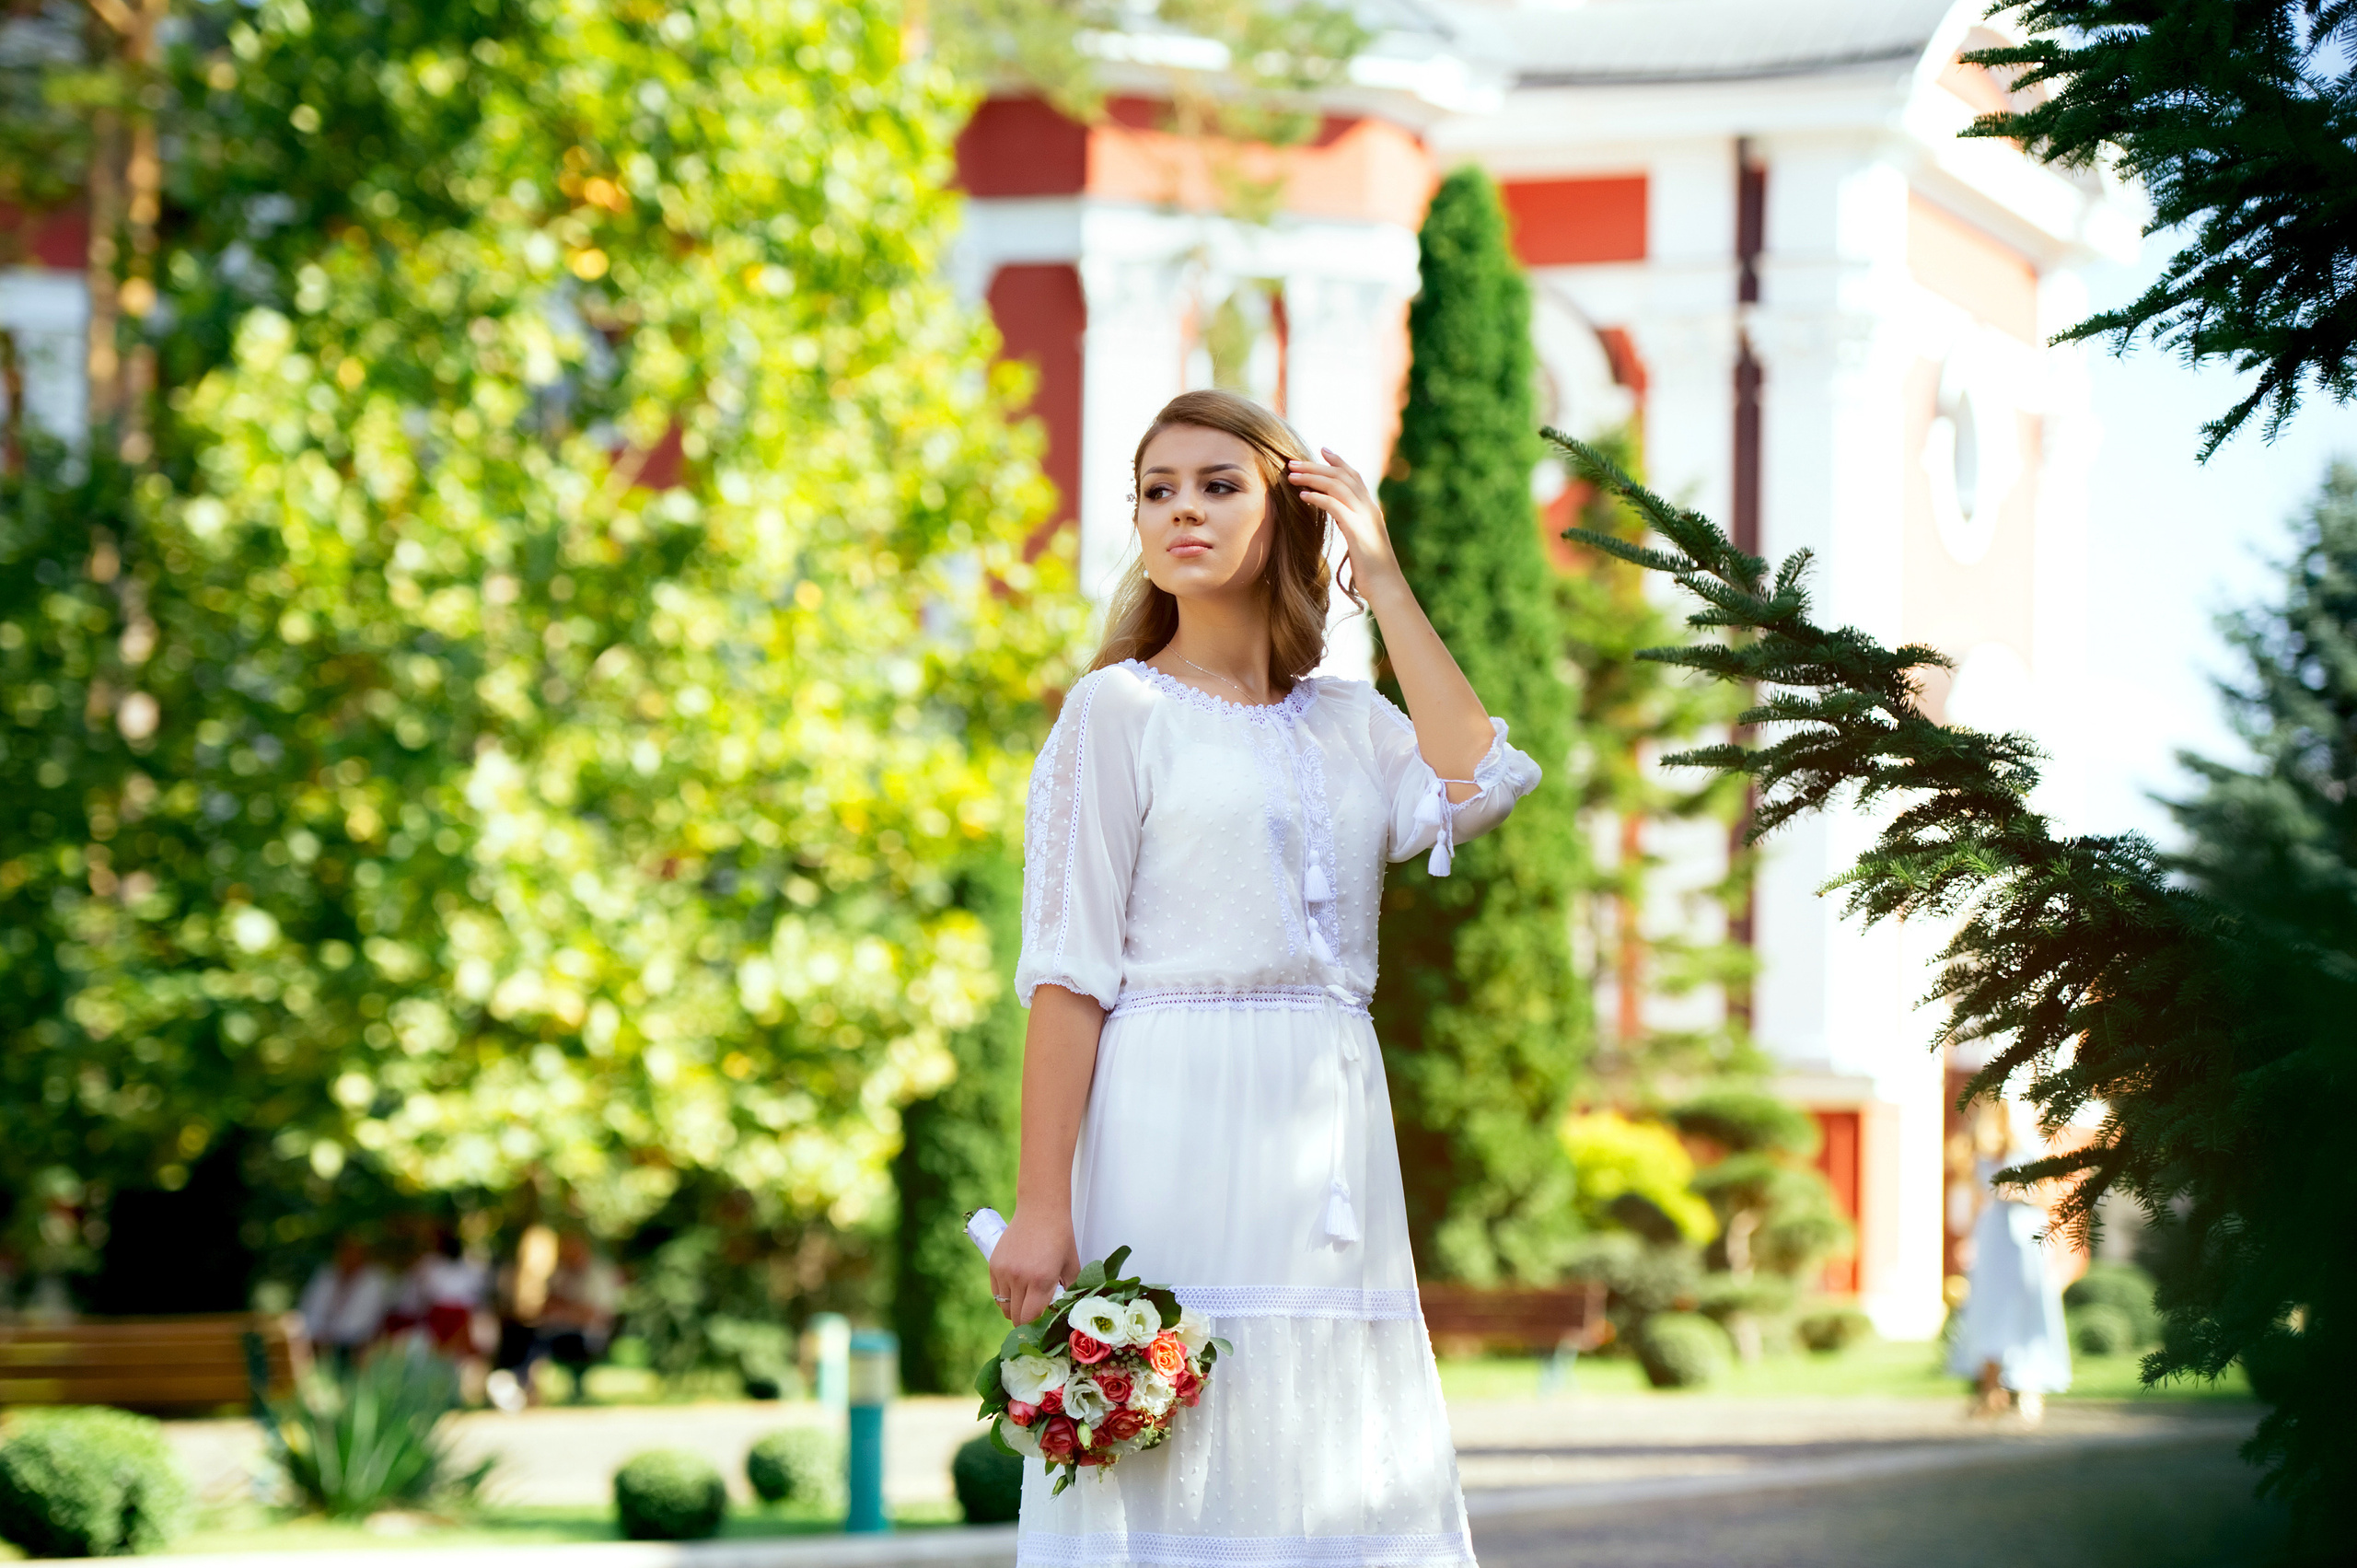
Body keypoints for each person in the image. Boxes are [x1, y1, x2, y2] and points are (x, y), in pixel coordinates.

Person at [990, 390, 1539, 1565]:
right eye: (1157, 490)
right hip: (1165, 1107)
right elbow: (1068, 973)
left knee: (1324, 1427)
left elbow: (1476, 779)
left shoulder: (1349, 720)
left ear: (1290, 511)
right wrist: (1044, 1203)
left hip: (1324, 1114)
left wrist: (1381, 577)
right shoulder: (1116, 712)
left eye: (1217, 484)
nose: (1181, 508)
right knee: (1173, 1435)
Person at [1946, 1100, 2073, 1422]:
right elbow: (1975, 1202)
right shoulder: (1981, 1158)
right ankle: (1991, 1389)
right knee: (1989, 1309)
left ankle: (2031, 1388)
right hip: (1993, 1239)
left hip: (2025, 1235)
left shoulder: (2030, 1150)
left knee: (2027, 1306)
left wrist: (2019, 1194)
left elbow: (2048, 1195)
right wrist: (1968, 1242)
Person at [296, 1237, 391, 1372]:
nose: (349, 1256)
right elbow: (309, 1309)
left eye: (354, 1251)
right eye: (345, 1250)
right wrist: (313, 1335)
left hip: (356, 1345)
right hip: (318, 1342)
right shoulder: (326, 1276)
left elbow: (376, 1317)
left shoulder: (376, 1280)